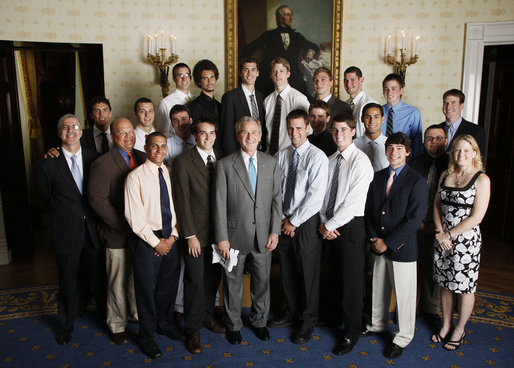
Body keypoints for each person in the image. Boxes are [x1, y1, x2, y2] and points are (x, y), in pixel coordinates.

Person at [36, 114, 106, 345]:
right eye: (65, 127)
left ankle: (107, 320)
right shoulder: (47, 163)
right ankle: (65, 325)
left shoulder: (95, 159)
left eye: (74, 126)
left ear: (81, 132)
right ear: (59, 133)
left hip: (94, 231)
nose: (70, 130)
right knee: (68, 281)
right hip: (66, 232)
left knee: (99, 278)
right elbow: (44, 199)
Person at [214, 116, 281, 345]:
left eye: (254, 132)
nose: (250, 137)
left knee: (262, 282)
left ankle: (259, 321)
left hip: (264, 236)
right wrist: (221, 238)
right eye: (245, 132)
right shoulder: (224, 165)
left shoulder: (271, 163)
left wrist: (275, 231)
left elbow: (276, 201)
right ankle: (233, 324)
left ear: (261, 136)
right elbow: (219, 204)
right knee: (232, 282)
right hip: (233, 237)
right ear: (237, 135)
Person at [363, 132, 428, 359]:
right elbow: (369, 211)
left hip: (402, 248)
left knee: (404, 295)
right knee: (378, 288)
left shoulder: (417, 181)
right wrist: (374, 238)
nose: (394, 152)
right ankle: (377, 324)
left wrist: (387, 243)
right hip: (378, 244)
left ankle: (402, 337)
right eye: (390, 148)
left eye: (399, 149)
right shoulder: (379, 177)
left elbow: (413, 221)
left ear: (408, 152)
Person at [269, 109, 328, 345]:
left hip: (305, 222)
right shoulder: (281, 156)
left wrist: (294, 221)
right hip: (283, 221)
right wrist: (283, 220)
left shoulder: (317, 157)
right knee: (288, 270)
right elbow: (276, 191)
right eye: (290, 128)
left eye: (299, 128)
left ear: (308, 129)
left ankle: (308, 319)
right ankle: (291, 311)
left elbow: (315, 196)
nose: (294, 133)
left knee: (308, 274)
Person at [124, 132, 183, 359]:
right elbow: (134, 218)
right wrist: (156, 243)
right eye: (155, 146)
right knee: (146, 291)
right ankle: (147, 336)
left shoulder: (168, 173)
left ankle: (165, 324)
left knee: (167, 287)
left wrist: (172, 238)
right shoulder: (135, 177)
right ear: (147, 148)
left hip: (170, 237)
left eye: (163, 146)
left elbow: (176, 208)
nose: (159, 150)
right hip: (147, 241)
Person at [319, 113, 374, 355]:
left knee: (351, 282)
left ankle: (351, 332)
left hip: (351, 226)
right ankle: (333, 318)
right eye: (335, 130)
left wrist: (329, 225)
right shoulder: (330, 160)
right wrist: (324, 223)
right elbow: (322, 196)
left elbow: (353, 203)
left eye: (344, 130)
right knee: (332, 275)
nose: (339, 134)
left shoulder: (361, 162)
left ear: (353, 131)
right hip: (329, 226)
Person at [88, 118, 145, 345]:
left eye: (131, 132)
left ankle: (134, 313)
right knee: (117, 281)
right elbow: (97, 200)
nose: (128, 136)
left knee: (135, 278)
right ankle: (117, 324)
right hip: (117, 233)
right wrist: (124, 225)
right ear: (113, 136)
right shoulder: (102, 164)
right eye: (122, 133)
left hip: (141, 234)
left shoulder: (142, 156)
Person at [172, 118, 226, 354]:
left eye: (211, 133)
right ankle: (192, 329)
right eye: (203, 133)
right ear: (195, 135)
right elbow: (181, 201)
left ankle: (206, 316)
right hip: (195, 234)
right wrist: (189, 235)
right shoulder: (183, 161)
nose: (208, 137)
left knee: (212, 279)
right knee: (194, 281)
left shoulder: (223, 157)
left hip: (218, 234)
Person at [432, 135, 490, 351]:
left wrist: (450, 235)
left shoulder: (481, 179)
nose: (461, 155)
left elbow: (477, 217)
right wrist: (440, 231)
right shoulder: (446, 174)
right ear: (452, 152)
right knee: (445, 283)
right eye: (457, 150)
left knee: (464, 286)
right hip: (442, 237)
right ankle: (446, 324)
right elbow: (436, 204)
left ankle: (460, 328)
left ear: (474, 153)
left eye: (466, 151)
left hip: (466, 241)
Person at [411, 125, 449, 333]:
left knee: (434, 269)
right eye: (429, 139)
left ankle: (431, 309)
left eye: (438, 138)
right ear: (424, 141)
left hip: (440, 228)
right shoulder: (415, 162)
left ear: (445, 140)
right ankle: (410, 307)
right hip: (416, 224)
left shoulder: (452, 164)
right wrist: (417, 221)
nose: (434, 143)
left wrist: (436, 225)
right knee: (414, 266)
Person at [242, 5, 319, 96]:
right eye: (287, 15)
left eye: (291, 15)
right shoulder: (268, 35)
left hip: (292, 77)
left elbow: (314, 46)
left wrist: (311, 51)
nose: (290, 18)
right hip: (271, 78)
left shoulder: (297, 36)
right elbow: (249, 48)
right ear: (279, 18)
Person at [264, 57, 310, 155]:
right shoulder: (267, 101)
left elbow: (308, 131)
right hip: (269, 155)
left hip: (291, 154)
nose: (278, 75)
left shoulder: (299, 99)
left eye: (281, 71)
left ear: (288, 74)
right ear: (271, 75)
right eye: (274, 71)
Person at [221, 57, 266, 153]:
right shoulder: (230, 97)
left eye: (253, 70)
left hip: (260, 152)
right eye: (246, 70)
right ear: (240, 73)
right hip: (238, 153)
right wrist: (231, 157)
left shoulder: (261, 98)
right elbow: (227, 132)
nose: (250, 73)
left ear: (257, 73)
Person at [381, 74, 423, 157]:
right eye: (386, 89)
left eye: (394, 89)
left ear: (401, 90)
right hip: (381, 159)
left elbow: (417, 144)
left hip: (404, 160)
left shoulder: (413, 113)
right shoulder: (378, 112)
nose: (389, 92)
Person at [438, 89, 486, 155]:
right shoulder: (436, 129)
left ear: (461, 106)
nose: (448, 107)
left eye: (453, 103)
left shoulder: (476, 131)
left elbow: (479, 160)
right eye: (446, 103)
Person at [156, 63, 194, 137]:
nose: (184, 78)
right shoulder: (165, 103)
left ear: (190, 77)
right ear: (174, 79)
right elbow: (163, 133)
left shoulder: (196, 99)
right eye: (180, 75)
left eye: (187, 74)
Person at [189, 59, 221, 142]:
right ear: (199, 82)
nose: (210, 81)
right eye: (205, 78)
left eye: (212, 77)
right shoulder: (194, 106)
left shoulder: (220, 105)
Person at [354, 102, 389, 172]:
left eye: (376, 117)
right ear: (362, 119)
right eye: (368, 117)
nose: (372, 121)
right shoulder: (353, 145)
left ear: (383, 119)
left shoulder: (390, 145)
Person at [343, 66, 377, 137]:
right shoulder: (345, 104)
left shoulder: (370, 104)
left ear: (361, 80)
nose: (348, 84)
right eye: (346, 80)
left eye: (352, 80)